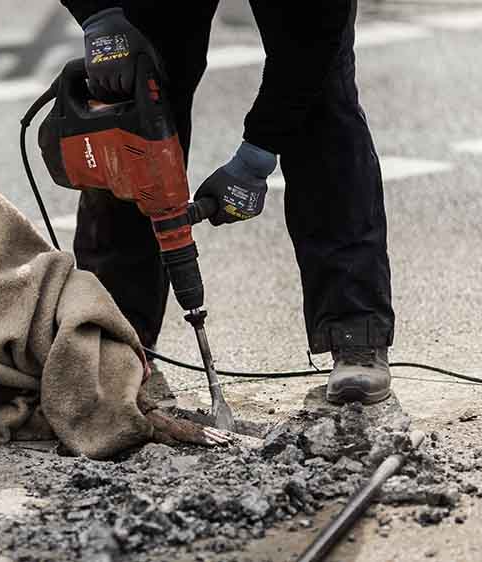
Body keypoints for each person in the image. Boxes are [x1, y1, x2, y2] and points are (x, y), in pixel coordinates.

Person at [60, 0, 395, 405]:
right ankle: (116, 335)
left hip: (309, 18)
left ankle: (354, 328)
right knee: (133, 100)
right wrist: (99, 15)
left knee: (321, 103)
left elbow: (313, 37)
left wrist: (258, 153)